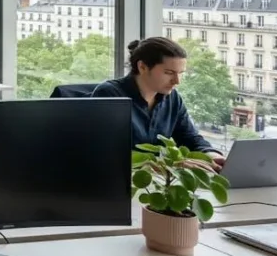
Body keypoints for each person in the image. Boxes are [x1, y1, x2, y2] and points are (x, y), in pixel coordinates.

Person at [92, 37, 224, 166]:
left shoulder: (172, 98)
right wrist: (170, 166)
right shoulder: (109, 94)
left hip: (159, 177)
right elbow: (106, 153)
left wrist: (213, 156)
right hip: (122, 177)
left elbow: (190, 138)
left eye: (180, 73)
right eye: (169, 72)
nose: (177, 81)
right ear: (142, 67)